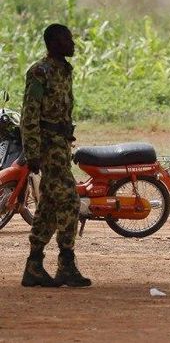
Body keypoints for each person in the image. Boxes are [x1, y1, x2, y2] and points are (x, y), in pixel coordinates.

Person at [20, 23, 91, 288]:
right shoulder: (40, 72)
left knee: (48, 206)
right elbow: (30, 113)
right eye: (67, 39)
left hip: (61, 145)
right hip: (48, 147)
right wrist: (32, 152)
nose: (72, 43)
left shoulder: (64, 70)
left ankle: (34, 266)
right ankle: (66, 263)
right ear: (54, 43)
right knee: (70, 201)